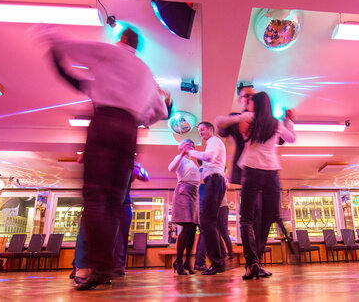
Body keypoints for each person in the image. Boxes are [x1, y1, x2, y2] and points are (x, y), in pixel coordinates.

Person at [37, 26, 170, 290]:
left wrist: (51, 37)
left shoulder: (111, 52)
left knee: (96, 198)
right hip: (129, 131)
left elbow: (72, 49)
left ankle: (98, 265)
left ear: (121, 38)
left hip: (105, 121)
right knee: (114, 201)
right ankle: (107, 265)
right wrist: (141, 116)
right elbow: (163, 112)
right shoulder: (145, 72)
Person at [216, 92, 295, 280]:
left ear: (256, 105)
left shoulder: (249, 117)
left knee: (246, 218)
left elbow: (219, 121)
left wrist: (234, 120)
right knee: (269, 217)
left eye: (251, 101)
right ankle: (255, 262)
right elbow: (291, 138)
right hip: (271, 173)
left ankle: (252, 263)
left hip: (251, 170)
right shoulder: (275, 123)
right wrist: (288, 121)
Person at [183, 122, 227, 275]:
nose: (200, 132)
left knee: (207, 222)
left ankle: (218, 262)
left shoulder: (214, 141)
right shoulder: (212, 143)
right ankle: (219, 262)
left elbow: (208, 157)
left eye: (202, 129)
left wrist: (191, 152)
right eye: (199, 130)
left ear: (210, 129)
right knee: (210, 223)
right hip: (214, 181)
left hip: (214, 181)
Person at [168, 139, 201, 275]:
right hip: (184, 191)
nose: (191, 146)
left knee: (193, 228)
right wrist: (181, 154)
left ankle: (188, 261)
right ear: (181, 147)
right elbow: (171, 169)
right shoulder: (179, 158)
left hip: (194, 192)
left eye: (192, 145)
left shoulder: (193, 162)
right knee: (187, 226)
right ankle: (179, 261)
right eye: (188, 144)